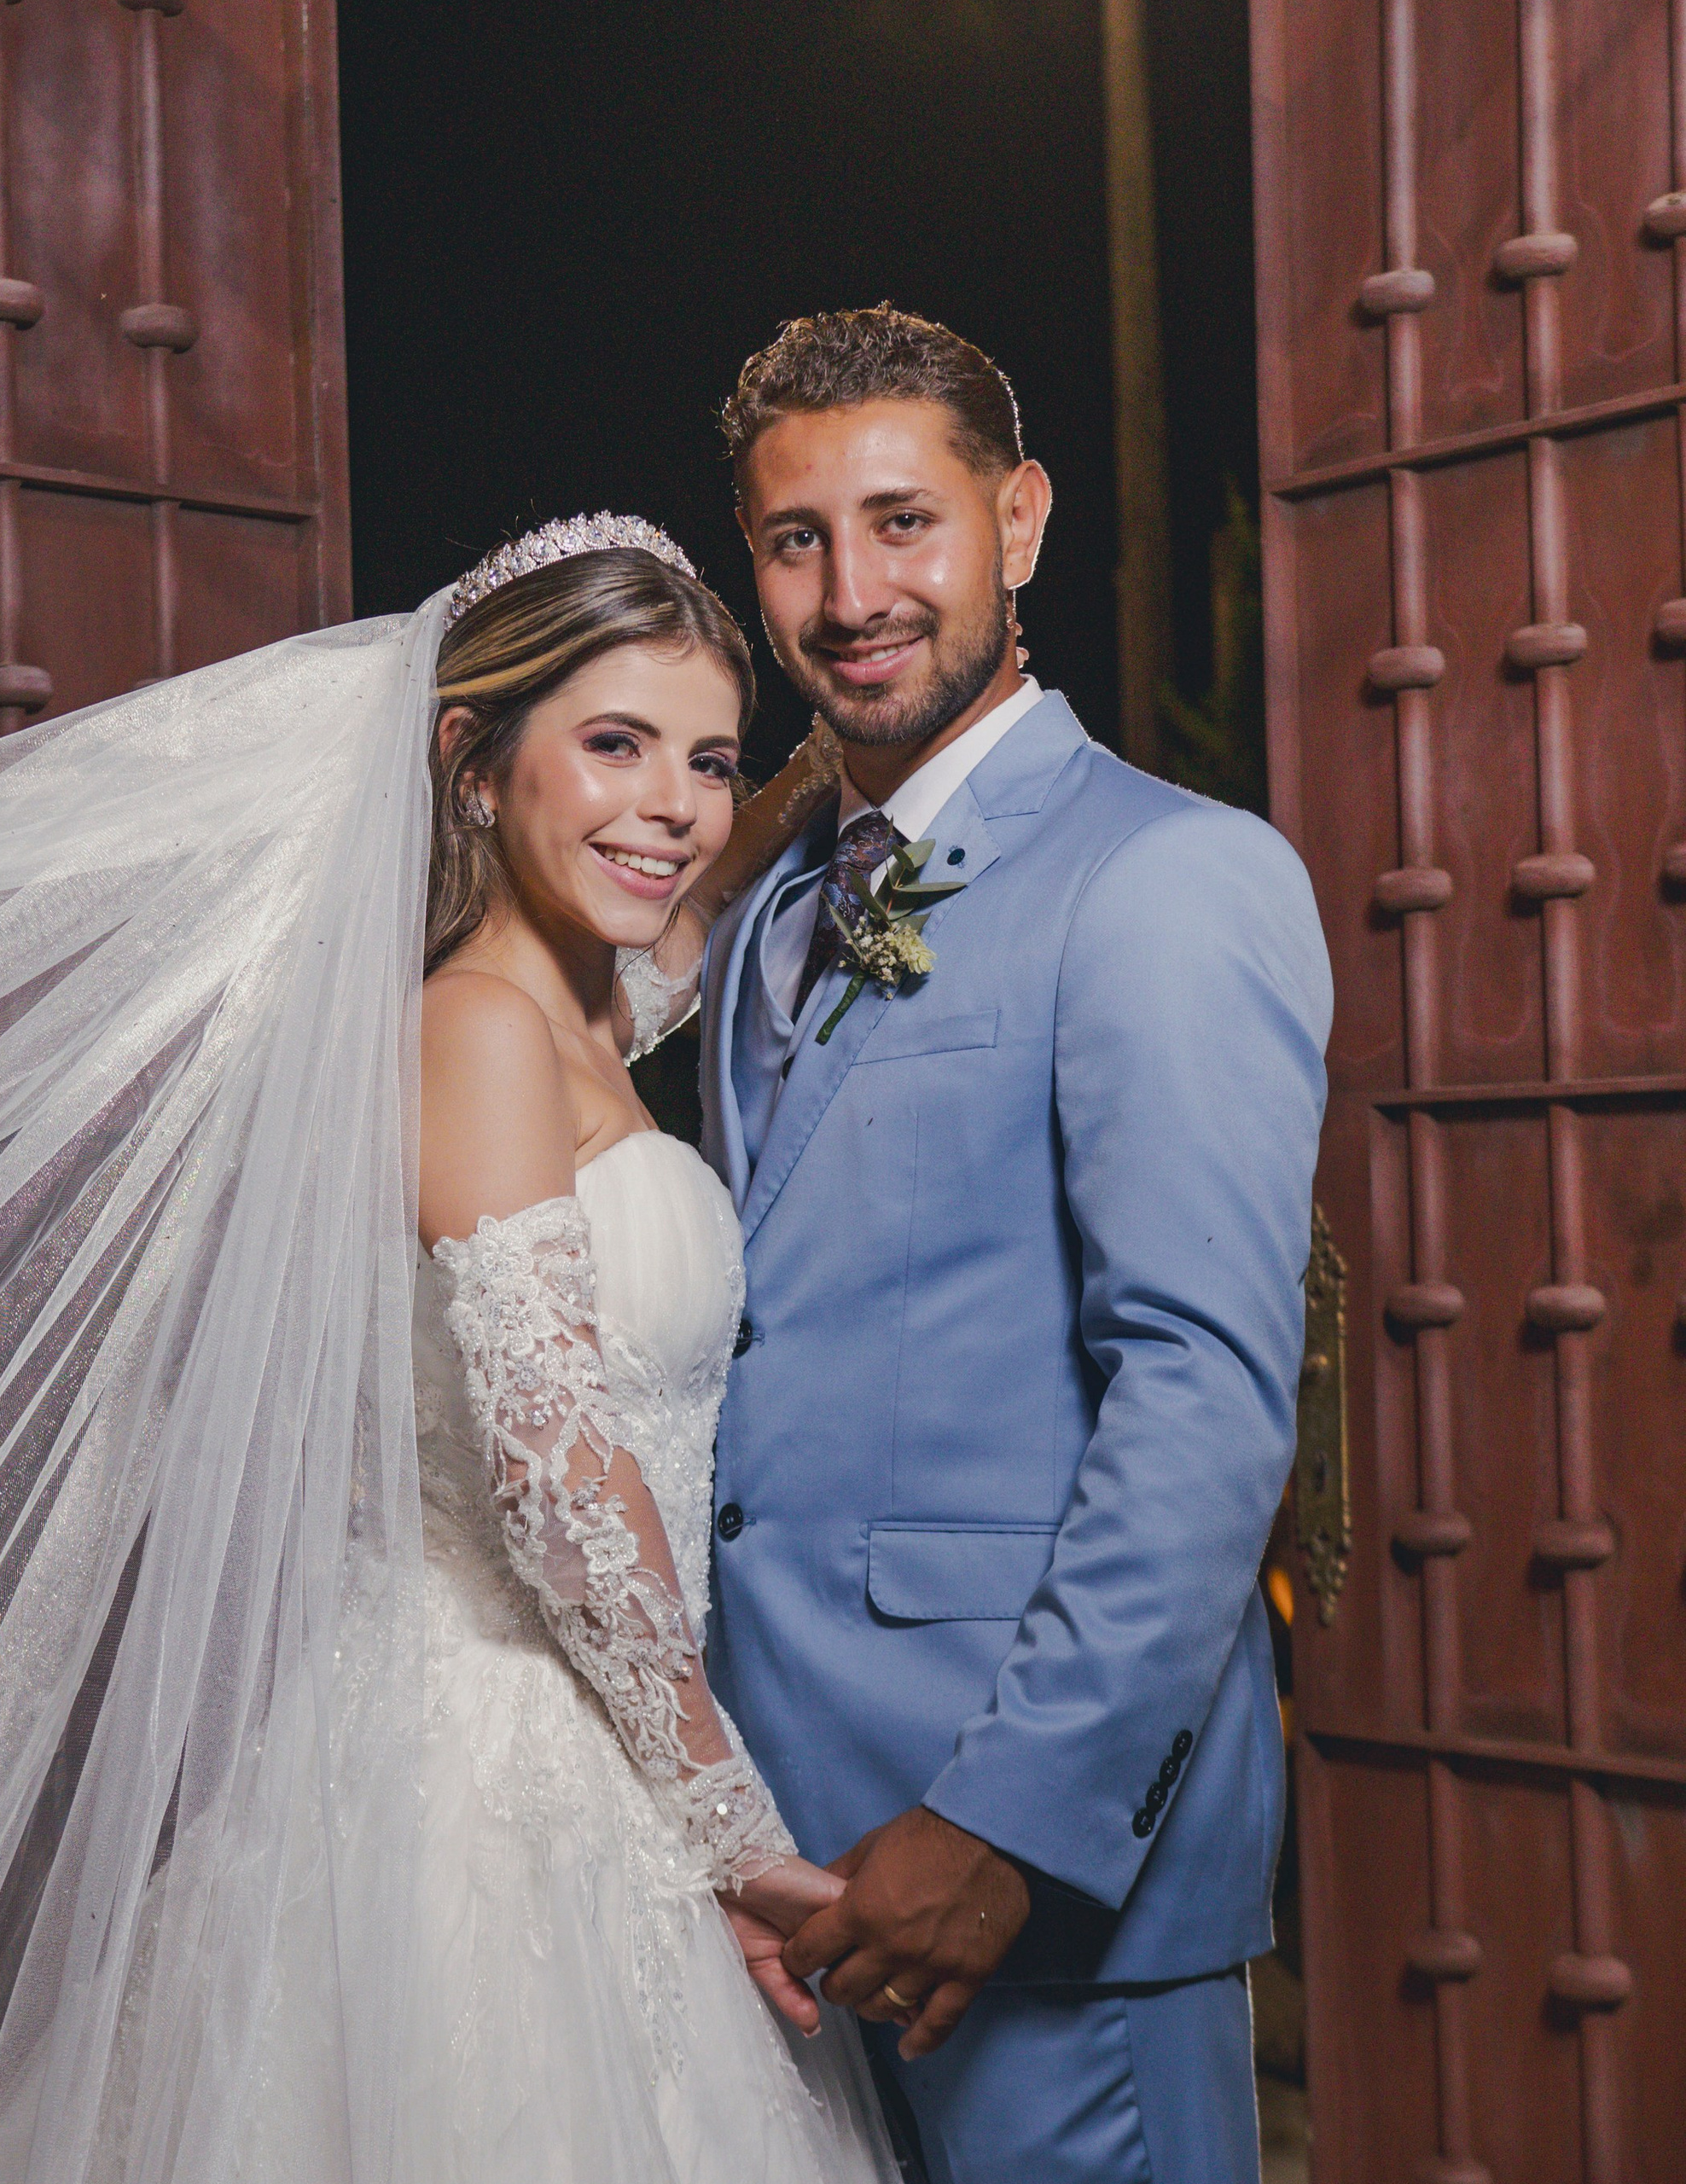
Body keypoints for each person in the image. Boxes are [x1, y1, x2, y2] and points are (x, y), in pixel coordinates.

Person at [0, 515, 891, 2182]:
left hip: (589, 1758)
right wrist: (731, 1829)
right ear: (468, 760)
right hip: (487, 1777)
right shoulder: (474, 1032)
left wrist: (831, 764)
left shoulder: (587, 1015)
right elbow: (557, 1488)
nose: (668, 801)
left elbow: (677, 925)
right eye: (612, 744)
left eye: (704, 757)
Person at [698, 307, 1332, 2184]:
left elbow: (1202, 1403)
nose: (850, 591)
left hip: (1034, 1893)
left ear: (1018, 521)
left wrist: (1010, 1826)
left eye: (904, 521)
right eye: (796, 538)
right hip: (774, 1879)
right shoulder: (761, 920)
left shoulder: (1168, 877)